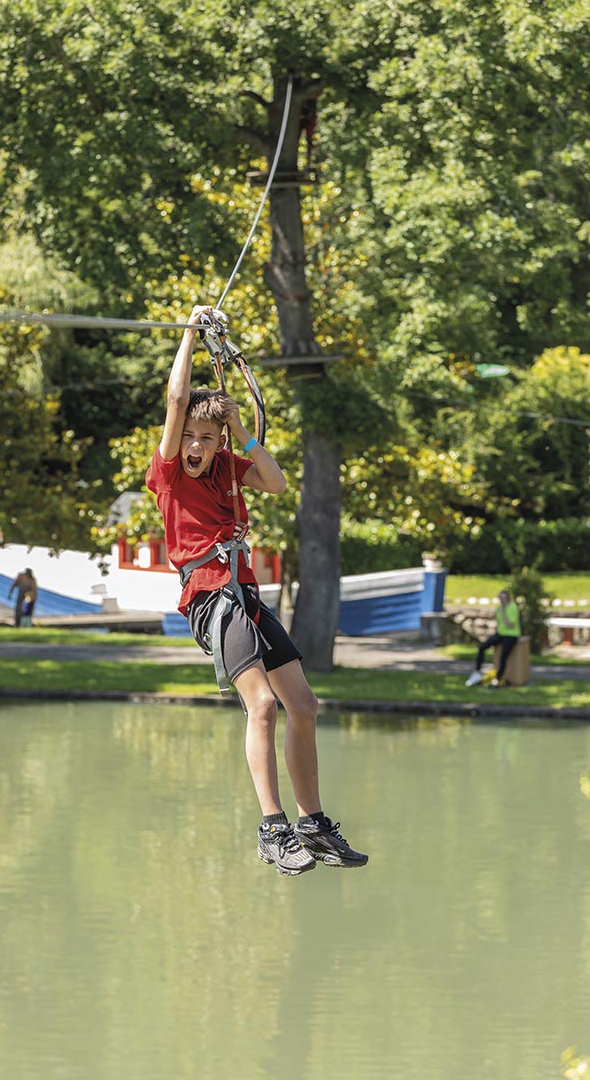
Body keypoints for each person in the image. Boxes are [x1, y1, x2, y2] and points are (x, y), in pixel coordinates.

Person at [145, 305, 368, 877]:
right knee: (262, 704)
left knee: (304, 705)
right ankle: (273, 828)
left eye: (206, 438)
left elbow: (276, 481)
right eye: (188, 437)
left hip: (243, 595)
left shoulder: (227, 466)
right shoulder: (169, 473)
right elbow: (177, 399)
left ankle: (312, 823)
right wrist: (191, 331)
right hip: (210, 598)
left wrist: (240, 432)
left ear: (219, 441)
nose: (195, 446)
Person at [465, 589, 522, 688]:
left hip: (511, 635)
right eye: (500, 598)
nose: (502, 600)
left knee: (503, 656)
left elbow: (510, 625)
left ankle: (498, 679)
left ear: (507, 598)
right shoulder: (499, 608)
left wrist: (503, 612)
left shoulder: (512, 607)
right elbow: (499, 623)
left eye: (504, 598)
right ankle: (477, 673)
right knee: (482, 647)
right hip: (501, 633)